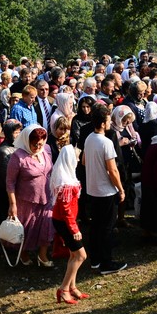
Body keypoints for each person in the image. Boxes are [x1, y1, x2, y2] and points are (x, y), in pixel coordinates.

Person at [83, 103, 127, 274]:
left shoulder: (89, 139)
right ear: (102, 123)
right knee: (107, 228)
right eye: (108, 120)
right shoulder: (106, 142)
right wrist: (121, 189)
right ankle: (107, 263)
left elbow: (85, 162)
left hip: (93, 189)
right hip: (106, 191)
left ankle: (95, 260)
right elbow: (112, 169)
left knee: (95, 227)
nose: (110, 123)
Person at [49, 120, 89, 304]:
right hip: (65, 221)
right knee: (81, 255)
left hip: (67, 220)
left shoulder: (68, 176)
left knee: (74, 254)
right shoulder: (66, 181)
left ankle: (72, 286)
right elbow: (65, 209)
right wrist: (74, 229)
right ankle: (64, 288)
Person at [6, 124, 55, 267]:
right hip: (26, 201)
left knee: (47, 226)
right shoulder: (18, 157)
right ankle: (23, 253)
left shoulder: (45, 151)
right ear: (27, 141)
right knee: (26, 229)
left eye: (40, 144)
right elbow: (10, 182)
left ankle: (42, 256)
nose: (38, 147)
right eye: (34, 145)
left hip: (46, 197)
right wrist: (13, 204)